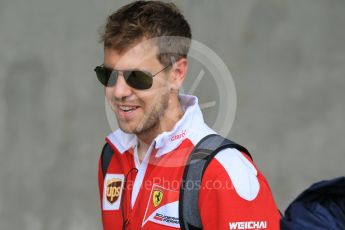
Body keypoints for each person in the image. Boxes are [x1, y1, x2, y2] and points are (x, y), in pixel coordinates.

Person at [96, 1, 280, 229]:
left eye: (137, 77)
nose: (120, 92)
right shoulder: (112, 155)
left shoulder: (224, 170)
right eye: (109, 75)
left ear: (177, 74)